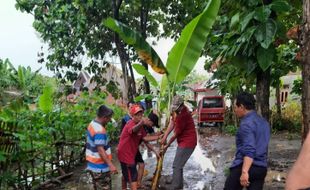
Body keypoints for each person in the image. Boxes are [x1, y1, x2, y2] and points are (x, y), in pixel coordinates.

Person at [224, 92, 270, 190]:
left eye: (235, 107)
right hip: (261, 168)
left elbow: (250, 150)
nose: (235, 111)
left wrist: (244, 172)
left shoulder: (246, 124)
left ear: (242, 107)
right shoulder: (264, 122)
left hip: (245, 167)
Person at [118, 104, 161, 190]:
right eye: (137, 115)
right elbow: (133, 130)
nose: (140, 116)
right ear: (133, 116)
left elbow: (145, 138)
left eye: (141, 114)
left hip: (131, 152)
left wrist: (159, 137)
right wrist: (141, 123)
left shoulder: (141, 127)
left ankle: (133, 186)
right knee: (131, 178)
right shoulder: (130, 123)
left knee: (130, 176)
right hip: (125, 154)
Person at [160, 95, 197, 190]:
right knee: (178, 165)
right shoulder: (177, 111)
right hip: (183, 141)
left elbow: (175, 134)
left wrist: (166, 146)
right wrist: (164, 136)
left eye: (177, 107)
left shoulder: (183, 115)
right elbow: (172, 122)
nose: (175, 109)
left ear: (182, 105)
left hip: (188, 142)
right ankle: (178, 184)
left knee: (177, 165)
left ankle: (175, 185)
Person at [85, 105, 118, 190]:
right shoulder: (99, 130)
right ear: (104, 117)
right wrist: (110, 165)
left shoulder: (92, 124)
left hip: (92, 164)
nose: (109, 120)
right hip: (100, 167)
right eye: (109, 118)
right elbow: (100, 150)